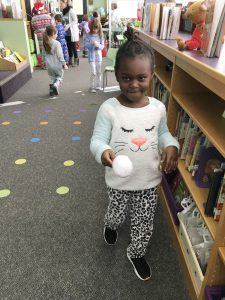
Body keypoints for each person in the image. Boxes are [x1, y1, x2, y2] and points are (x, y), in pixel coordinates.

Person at [90, 28, 179, 281]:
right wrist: (103, 151)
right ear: (117, 75)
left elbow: (163, 134)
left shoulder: (158, 108)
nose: (134, 84)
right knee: (117, 212)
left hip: (148, 181)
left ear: (151, 76)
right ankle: (111, 224)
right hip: (118, 181)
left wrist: (171, 145)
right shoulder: (109, 109)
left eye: (141, 77)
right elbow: (97, 140)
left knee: (144, 222)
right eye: (126, 78)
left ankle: (137, 251)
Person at [42, 25, 68, 96]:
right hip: (57, 65)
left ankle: (51, 91)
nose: (57, 35)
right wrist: (64, 64)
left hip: (49, 65)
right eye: (56, 34)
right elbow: (60, 55)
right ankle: (56, 86)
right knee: (60, 77)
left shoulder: (45, 43)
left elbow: (43, 54)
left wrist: (43, 62)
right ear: (53, 34)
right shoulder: (57, 43)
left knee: (52, 78)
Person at [85, 20, 104, 93]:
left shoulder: (101, 35)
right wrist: (92, 44)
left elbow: (102, 46)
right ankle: (92, 87)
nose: (95, 30)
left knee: (99, 72)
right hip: (91, 57)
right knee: (93, 72)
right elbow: (86, 45)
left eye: (97, 28)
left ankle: (98, 85)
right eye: (94, 28)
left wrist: (98, 45)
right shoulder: (88, 35)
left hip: (99, 57)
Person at [31, 1, 52, 69]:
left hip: (39, 36)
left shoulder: (33, 18)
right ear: (43, 8)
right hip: (48, 34)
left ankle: (44, 64)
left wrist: (37, 31)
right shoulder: (48, 17)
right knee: (49, 48)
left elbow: (33, 27)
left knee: (42, 49)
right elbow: (52, 26)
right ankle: (50, 63)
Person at [60, 0, 79, 67]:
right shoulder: (63, 12)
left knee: (73, 47)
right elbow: (64, 21)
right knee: (68, 47)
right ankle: (70, 61)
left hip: (72, 32)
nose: (60, 5)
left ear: (65, 3)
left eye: (61, 3)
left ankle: (76, 61)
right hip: (66, 33)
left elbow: (76, 20)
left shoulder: (71, 10)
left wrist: (68, 26)